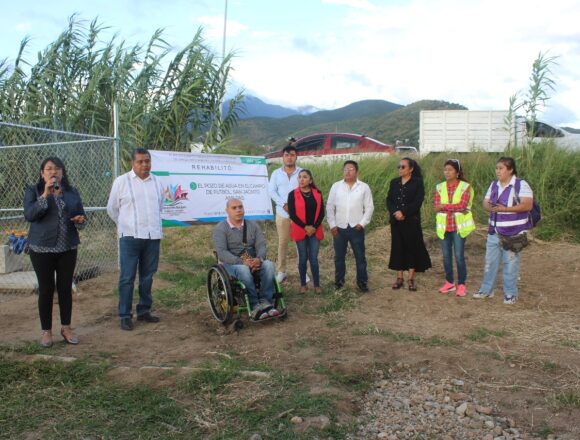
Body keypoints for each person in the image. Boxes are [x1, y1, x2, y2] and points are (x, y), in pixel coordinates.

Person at [24, 157, 87, 347]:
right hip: (41, 249)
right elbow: (30, 215)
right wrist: (45, 194)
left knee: (65, 289)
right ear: (42, 174)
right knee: (46, 290)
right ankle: (46, 332)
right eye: (49, 169)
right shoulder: (33, 191)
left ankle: (66, 328)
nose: (54, 172)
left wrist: (81, 220)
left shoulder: (71, 192)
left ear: (62, 173)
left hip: (67, 248)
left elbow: (83, 217)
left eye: (58, 169)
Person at [107, 148, 164, 331]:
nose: (144, 165)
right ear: (132, 163)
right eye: (140, 161)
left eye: (147, 161)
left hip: (152, 237)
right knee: (127, 277)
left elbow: (160, 206)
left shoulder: (158, 182)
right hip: (130, 237)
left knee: (147, 276)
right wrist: (126, 225)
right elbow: (112, 209)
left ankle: (144, 310)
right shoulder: (121, 182)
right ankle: (125, 314)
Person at [474, 157, 533, 304]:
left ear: (510, 169)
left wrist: (504, 209)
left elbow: (527, 205)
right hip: (494, 231)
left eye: (501, 168)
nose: (498, 171)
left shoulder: (521, 185)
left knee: (511, 264)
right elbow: (485, 203)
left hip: (514, 233)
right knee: (490, 262)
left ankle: (510, 293)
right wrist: (491, 207)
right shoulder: (494, 185)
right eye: (497, 168)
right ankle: (486, 290)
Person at [212, 199, 279, 320]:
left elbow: (261, 245)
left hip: (253, 260)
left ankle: (266, 302)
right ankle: (255, 305)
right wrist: (242, 262)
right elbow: (222, 253)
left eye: (240, 207)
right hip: (231, 264)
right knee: (243, 269)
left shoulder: (253, 225)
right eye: (234, 208)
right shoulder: (220, 228)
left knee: (269, 265)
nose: (238, 210)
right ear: (227, 211)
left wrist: (259, 259)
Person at [326, 160, 374, 292]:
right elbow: (330, 206)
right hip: (339, 228)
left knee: (360, 257)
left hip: (356, 228)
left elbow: (369, 207)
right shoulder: (336, 186)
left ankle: (362, 282)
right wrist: (332, 225)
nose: (347, 171)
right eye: (345, 169)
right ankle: (339, 282)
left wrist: (362, 223)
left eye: (351, 169)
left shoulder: (364, 187)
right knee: (339, 257)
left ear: (357, 172)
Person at [386, 157, 432, 291]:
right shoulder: (394, 182)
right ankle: (399, 278)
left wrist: (404, 212)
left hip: (411, 220)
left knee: (412, 248)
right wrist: (395, 212)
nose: (400, 169)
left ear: (411, 169)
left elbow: (418, 201)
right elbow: (389, 200)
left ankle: (411, 278)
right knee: (398, 247)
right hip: (396, 221)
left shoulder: (417, 182)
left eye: (403, 167)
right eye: (399, 167)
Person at [433, 159, 475, 297]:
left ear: (457, 172)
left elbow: (462, 206)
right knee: (446, 257)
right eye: (445, 169)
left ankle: (461, 284)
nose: (447, 172)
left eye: (450, 170)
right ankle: (449, 282)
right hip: (444, 227)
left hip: (458, 228)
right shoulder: (439, 187)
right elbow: (435, 207)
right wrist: (451, 207)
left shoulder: (465, 187)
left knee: (459, 256)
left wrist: (444, 207)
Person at [268, 144, 302, 283]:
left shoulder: (302, 172)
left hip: (300, 215)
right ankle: (281, 271)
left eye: (292, 155)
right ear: (283, 157)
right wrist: (284, 204)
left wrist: (295, 207)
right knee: (282, 243)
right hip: (282, 214)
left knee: (300, 244)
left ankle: (302, 271)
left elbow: (306, 190)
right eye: (286, 155)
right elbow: (271, 191)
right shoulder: (276, 173)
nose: (289, 158)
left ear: (296, 157)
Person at [288, 169, 325, 294]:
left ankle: (317, 284)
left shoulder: (317, 193)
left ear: (310, 180)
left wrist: (313, 227)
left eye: (305, 177)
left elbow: (321, 213)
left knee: (313, 258)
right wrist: (305, 227)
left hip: (315, 229)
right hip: (300, 230)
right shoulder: (292, 194)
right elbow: (292, 214)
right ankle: (303, 284)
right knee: (303, 258)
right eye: (299, 177)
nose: (301, 179)